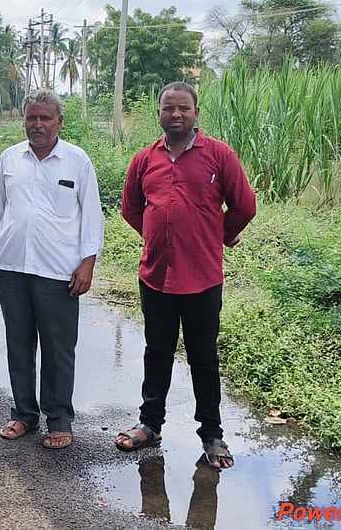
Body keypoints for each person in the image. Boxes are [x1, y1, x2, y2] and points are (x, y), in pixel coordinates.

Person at [114, 81, 256, 470]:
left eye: (183, 108)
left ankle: (212, 434)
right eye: (168, 108)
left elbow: (244, 205)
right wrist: (158, 236)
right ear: (158, 114)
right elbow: (130, 207)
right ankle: (150, 425)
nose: (175, 115)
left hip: (202, 278)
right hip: (155, 275)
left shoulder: (219, 155)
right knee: (156, 352)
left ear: (196, 113)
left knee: (204, 358)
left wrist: (219, 235)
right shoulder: (145, 159)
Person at [0, 90, 104, 450]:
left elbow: (92, 216)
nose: (38, 124)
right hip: (13, 267)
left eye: (46, 118)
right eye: (32, 117)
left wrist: (87, 263)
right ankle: (24, 415)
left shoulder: (77, 161)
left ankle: (59, 420)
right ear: (24, 120)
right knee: (18, 343)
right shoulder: (9, 159)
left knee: (58, 347)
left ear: (59, 122)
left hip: (59, 270)